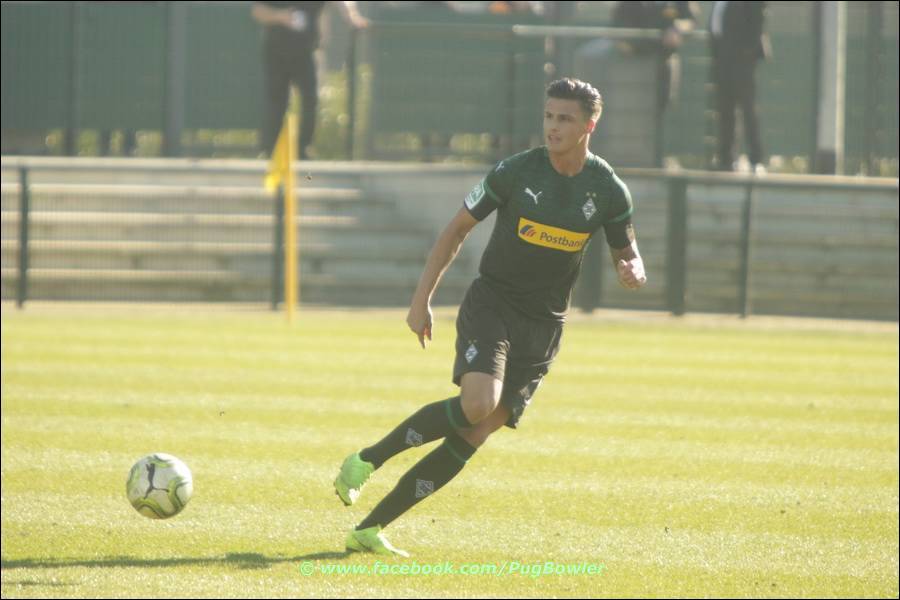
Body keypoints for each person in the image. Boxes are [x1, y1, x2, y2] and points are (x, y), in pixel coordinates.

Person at [333, 78, 647, 556]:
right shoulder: (515, 171)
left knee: (476, 430)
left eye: (564, 119)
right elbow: (456, 230)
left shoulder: (608, 189)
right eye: (548, 116)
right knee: (478, 403)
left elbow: (628, 251)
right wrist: (421, 300)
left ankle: (368, 530)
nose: (553, 126)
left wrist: (634, 269)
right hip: (494, 305)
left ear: (590, 125)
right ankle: (366, 459)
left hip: (544, 326)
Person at [252, 2, 367, 160]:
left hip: (306, 52)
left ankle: (302, 149)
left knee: (310, 100)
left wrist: (352, 16)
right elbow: (258, 11)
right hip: (276, 52)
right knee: (277, 102)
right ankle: (270, 151)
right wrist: (281, 16)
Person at [709, 1, 770, 173]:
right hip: (723, 58)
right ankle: (726, 158)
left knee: (748, 108)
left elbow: (757, 18)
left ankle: (756, 158)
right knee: (725, 108)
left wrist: (747, 52)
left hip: (742, 59)